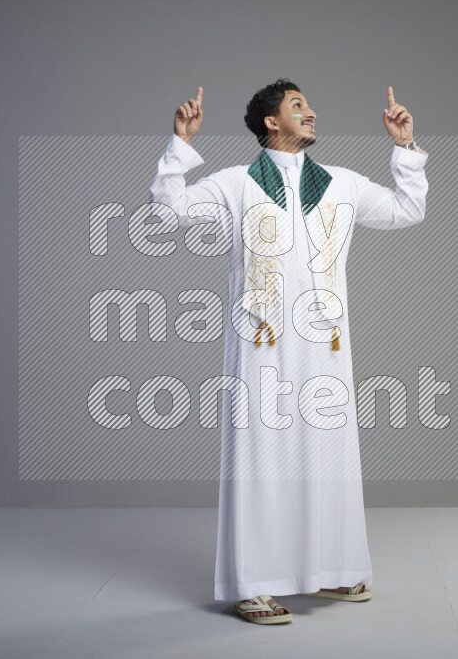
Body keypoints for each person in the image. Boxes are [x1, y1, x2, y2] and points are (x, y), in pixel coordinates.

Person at [148, 79, 429, 624]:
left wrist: (404, 147)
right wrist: (181, 143)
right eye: (297, 105)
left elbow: (406, 210)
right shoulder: (236, 183)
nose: (311, 111)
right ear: (271, 122)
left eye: (308, 104)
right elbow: (167, 212)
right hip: (262, 341)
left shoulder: (342, 184)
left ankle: (333, 569)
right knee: (260, 458)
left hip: (325, 341)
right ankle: (252, 584)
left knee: (329, 455)